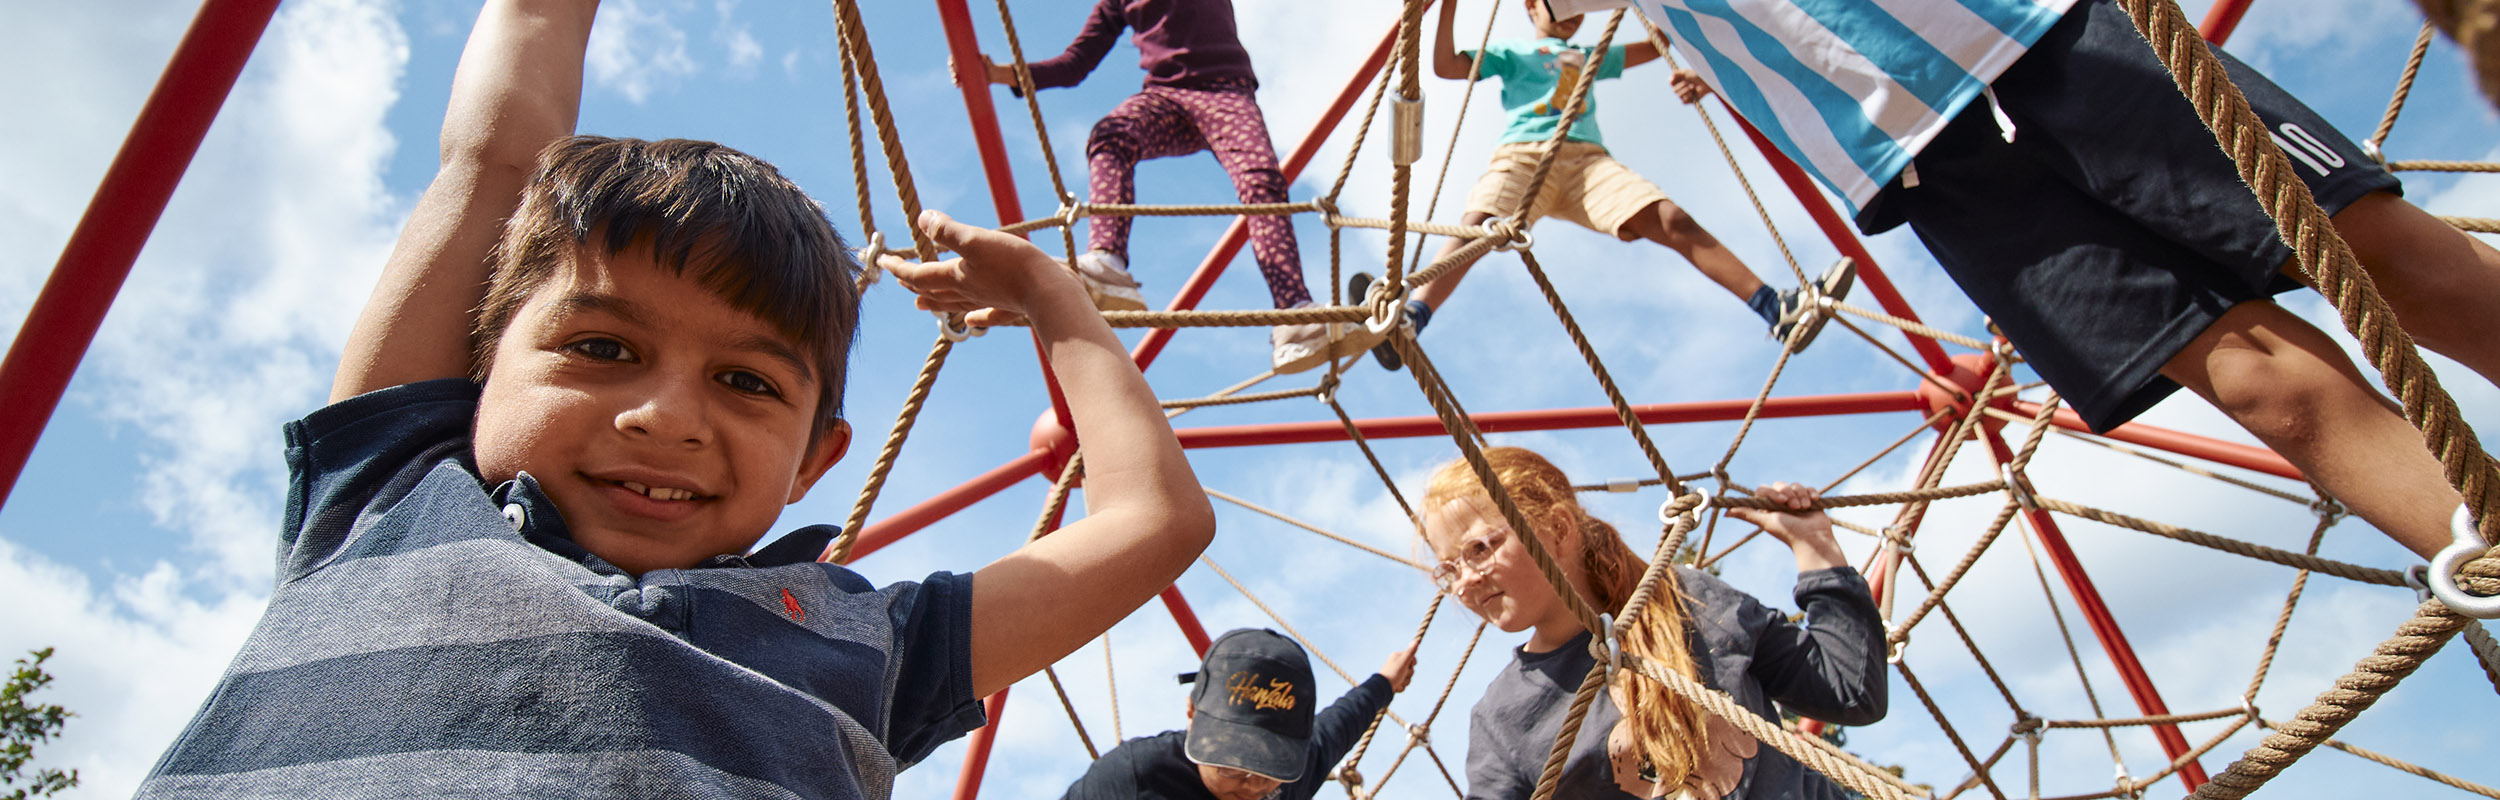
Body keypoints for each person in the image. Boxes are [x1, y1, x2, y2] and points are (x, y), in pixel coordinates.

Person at [134, 2, 1216, 797]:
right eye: (601, 346)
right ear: (479, 358)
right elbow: (498, 152)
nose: (666, 414)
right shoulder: (391, 501)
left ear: (814, 459)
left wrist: (1051, 295)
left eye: (746, 381)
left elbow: (1155, 521)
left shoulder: (864, 645)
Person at [1628, 0, 2500, 560]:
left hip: (2034, 22)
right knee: (2257, 385)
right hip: (1890, 138)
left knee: (2362, 249)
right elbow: (1553, 19)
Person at [1353, 0, 1856, 372]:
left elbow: (1663, 42)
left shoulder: (1591, 56)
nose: (1572, 13)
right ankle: (1410, 319)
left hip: (1587, 164)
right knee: (1474, 231)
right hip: (1525, 154)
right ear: (1531, 7)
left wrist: (1691, 60)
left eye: (1580, 7)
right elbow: (1445, 66)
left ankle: (1775, 308)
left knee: (1671, 219)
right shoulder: (1512, 54)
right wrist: (1444, 10)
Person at [1418, 447, 1884, 799]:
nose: (1464, 583)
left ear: (1557, 530)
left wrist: (1816, 550)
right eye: (1448, 569)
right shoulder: (1504, 716)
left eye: (1479, 550)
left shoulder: (1688, 600)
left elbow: (1848, 692)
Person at [976, 0, 1373, 374]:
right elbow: (1074, 64)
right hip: (1165, 98)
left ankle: (1294, 313)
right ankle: (1107, 261)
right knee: (1110, 136)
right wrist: (999, 74)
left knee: (1261, 181)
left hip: (1225, 92)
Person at [1060, 629, 1421, 800]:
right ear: (1191, 713)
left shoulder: (1289, 781)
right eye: (1231, 766)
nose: (1252, 785)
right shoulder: (1137, 777)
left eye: (1270, 770)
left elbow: (1339, 725)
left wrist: (1385, 682)